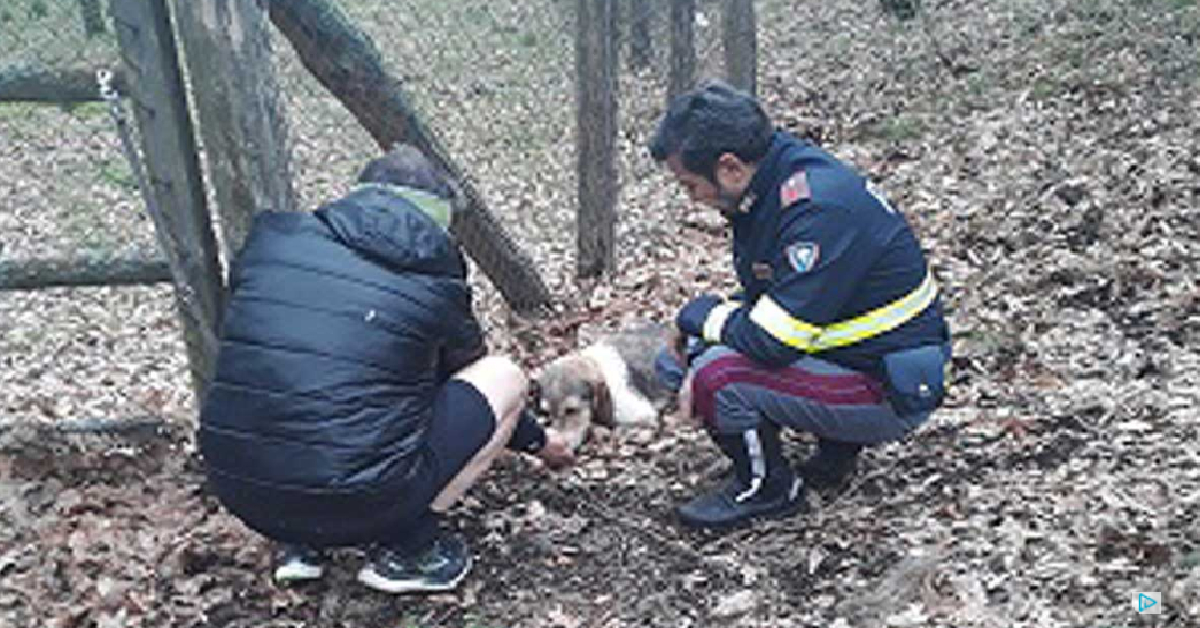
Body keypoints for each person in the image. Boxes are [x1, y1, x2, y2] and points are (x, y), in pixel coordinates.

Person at [198, 145, 574, 593]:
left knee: (297, 369)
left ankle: (300, 545)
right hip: (357, 501)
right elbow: (471, 380)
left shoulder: (272, 243)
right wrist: (540, 442)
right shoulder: (434, 276)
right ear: (437, 221)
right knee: (503, 375)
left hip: (242, 489)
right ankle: (410, 549)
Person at [649, 81, 951, 529]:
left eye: (690, 185)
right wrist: (702, 328)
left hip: (890, 386)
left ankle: (767, 488)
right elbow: (786, 298)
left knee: (717, 374)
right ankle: (833, 449)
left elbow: (775, 340)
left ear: (729, 167)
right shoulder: (774, 181)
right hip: (858, 354)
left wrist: (699, 314)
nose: (692, 198)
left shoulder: (816, 208)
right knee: (682, 357)